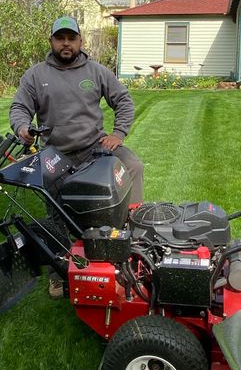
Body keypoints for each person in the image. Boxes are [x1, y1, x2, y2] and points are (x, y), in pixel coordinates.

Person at [10, 16, 145, 296]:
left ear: (80, 42)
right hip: (55, 153)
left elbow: (124, 100)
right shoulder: (35, 75)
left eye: (72, 38)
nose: (66, 43)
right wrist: (23, 127)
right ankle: (60, 268)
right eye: (60, 38)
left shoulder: (96, 71)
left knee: (132, 165)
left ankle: (129, 238)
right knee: (55, 206)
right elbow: (19, 108)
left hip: (95, 146)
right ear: (52, 42)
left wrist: (118, 134)